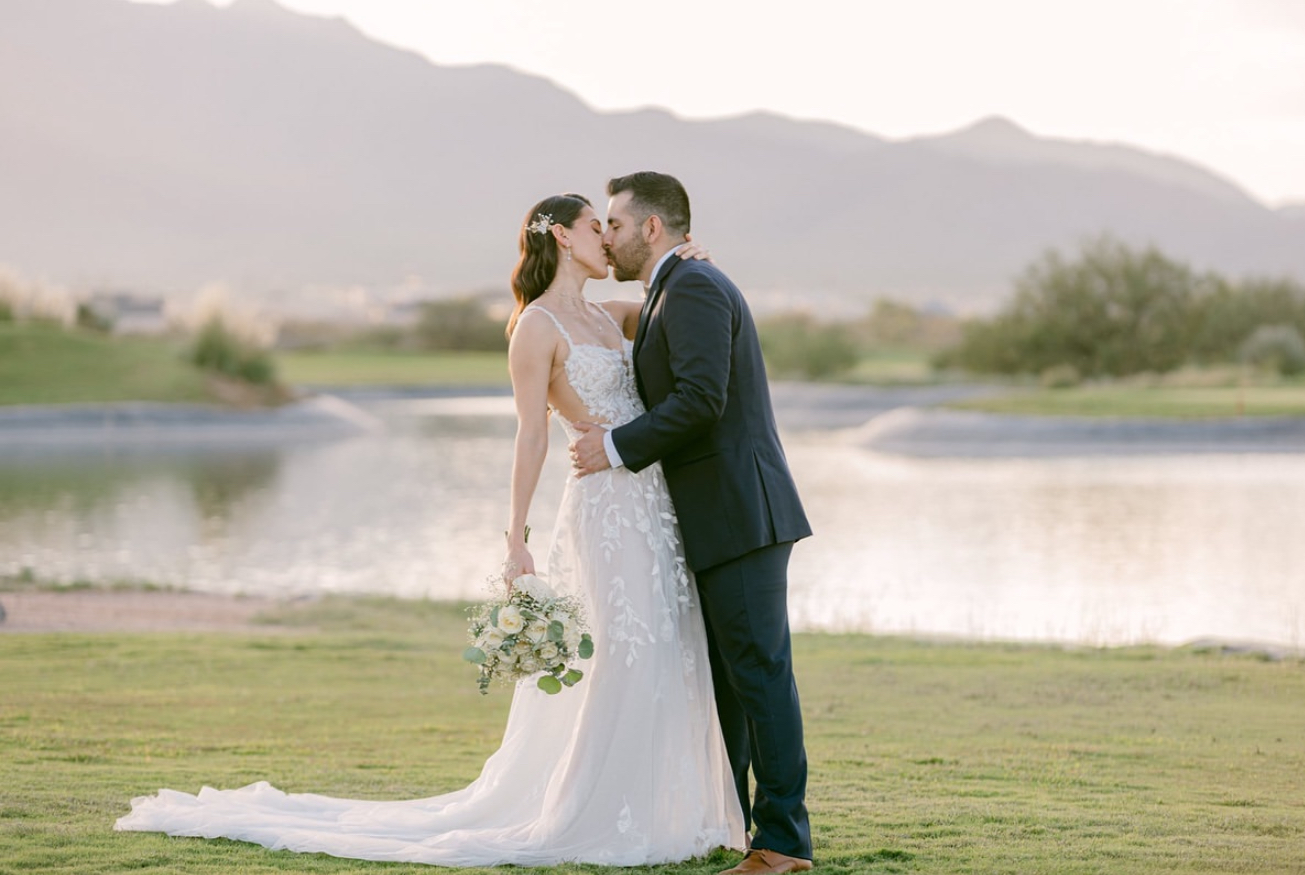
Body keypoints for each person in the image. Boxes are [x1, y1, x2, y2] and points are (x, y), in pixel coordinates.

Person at [114, 192, 745, 867]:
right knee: (621, 650)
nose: (608, 239)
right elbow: (531, 435)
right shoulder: (535, 328)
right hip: (602, 510)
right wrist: (515, 537)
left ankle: (669, 809)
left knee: (667, 643)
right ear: (562, 236)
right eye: (597, 227)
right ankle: (592, 811)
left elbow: (670, 304)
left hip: (653, 504)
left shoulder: (611, 314)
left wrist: (692, 262)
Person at [570, 172, 814, 875]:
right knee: (732, 685)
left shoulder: (697, 287)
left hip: (741, 513)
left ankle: (783, 843)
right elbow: (625, 325)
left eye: (614, 223)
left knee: (760, 677)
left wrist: (614, 447)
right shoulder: (670, 289)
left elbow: (704, 399)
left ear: (651, 228)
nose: (607, 235)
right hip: (715, 518)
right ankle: (735, 826)